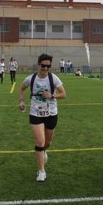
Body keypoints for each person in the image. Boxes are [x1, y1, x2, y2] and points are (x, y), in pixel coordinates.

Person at [18, 53, 67, 182]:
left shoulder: (54, 78)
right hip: (35, 113)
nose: (46, 68)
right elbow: (22, 89)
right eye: (43, 66)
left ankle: (44, 151)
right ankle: (41, 171)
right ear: (39, 65)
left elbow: (63, 94)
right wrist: (21, 101)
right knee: (40, 142)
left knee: (48, 142)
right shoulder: (31, 78)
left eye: (48, 66)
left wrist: (52, 96)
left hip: (51, 113)